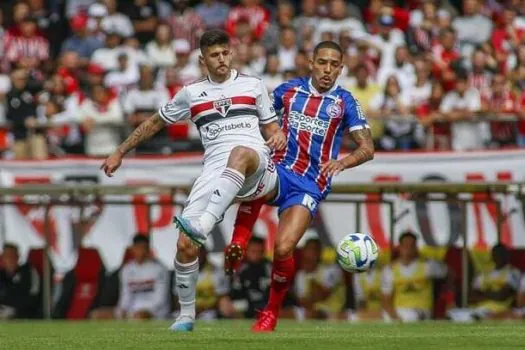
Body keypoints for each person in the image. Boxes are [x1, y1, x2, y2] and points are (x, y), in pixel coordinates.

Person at [100, 29, 285, 332]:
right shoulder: (191, 93)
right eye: (215, 55)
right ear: (203, 60)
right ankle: (186, 316)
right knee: (185, 245)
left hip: (256, 166)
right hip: (214, 171)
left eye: (226, 53)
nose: (222, 59)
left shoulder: (254, 85)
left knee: (240, 152)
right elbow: (155, 122)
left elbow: (272, 129)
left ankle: (204, 224)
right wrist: (120, 150)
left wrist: (277, 135)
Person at [223, 40, 374, 332]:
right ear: (311, 63)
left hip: (310, 185)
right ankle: (239, 243)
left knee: (283, 249)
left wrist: (342, 163)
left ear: (341, 69)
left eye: (334, 65)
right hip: (280, 171)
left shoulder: (345, 102)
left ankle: (270, 313)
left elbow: (367, 148)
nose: (327, 69)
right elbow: (257, 118)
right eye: (322, 62)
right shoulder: (288, 91)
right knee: (254, 174)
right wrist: (275, 130)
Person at [381, 231, 448, 322]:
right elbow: (386, 299)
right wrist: (394, 316)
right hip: (398, 311)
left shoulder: (428, 266)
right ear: (399, 247)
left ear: (416, 247)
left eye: (412, 245)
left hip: (422, 311)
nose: (408, 249)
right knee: (381, 315)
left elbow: (448, 273)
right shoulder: (390, 270)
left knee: (411, 316)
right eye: (405, 245)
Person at [116, 234, 170, 320]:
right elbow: (125, 297)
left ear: (148, 249)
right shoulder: (126, 270)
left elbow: (160, 299)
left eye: (143, 248)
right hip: (133, 311)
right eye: (138, 248)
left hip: (154, 311)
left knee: (140, 317)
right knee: (98, 315)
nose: (141, 251)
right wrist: (122, 310)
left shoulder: (159, 269)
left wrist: (144, 311)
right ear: (132, 249)